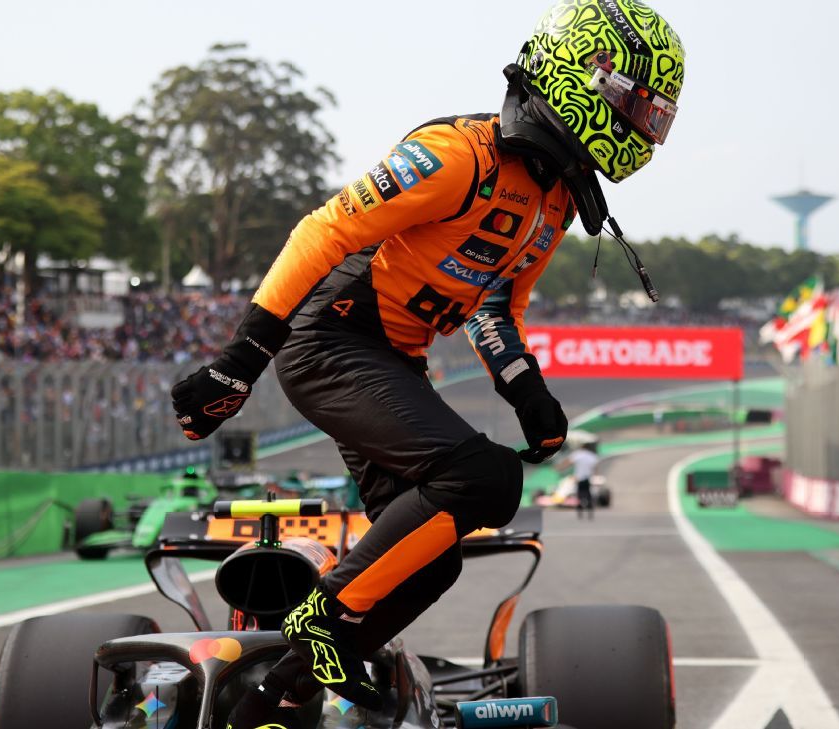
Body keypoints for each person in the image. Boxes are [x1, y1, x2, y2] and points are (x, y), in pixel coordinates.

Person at [169, 0, 686, 721]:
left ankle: (283, 688)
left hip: (392, 362)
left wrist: (526, 389)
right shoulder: (458, 155)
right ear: (582, 75)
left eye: (655, 114)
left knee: (430, 561)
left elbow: (495, 302)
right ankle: (314, 626)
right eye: (636, 104)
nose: (644, 126)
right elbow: (324, 230)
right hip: (332, 343)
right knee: (481, 477)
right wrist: (240, 359)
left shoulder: (555, 203)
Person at [558, 440, 601, 519]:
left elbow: (568, 462)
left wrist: (560, 468)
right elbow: (596, 468)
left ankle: (580, 507)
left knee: (580, 494)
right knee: (587, 493)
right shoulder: (592, 456)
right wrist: (596, 476)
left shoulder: (578, 454)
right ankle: (589, 508)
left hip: (578, 478)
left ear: (582, 447)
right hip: (587, 478)